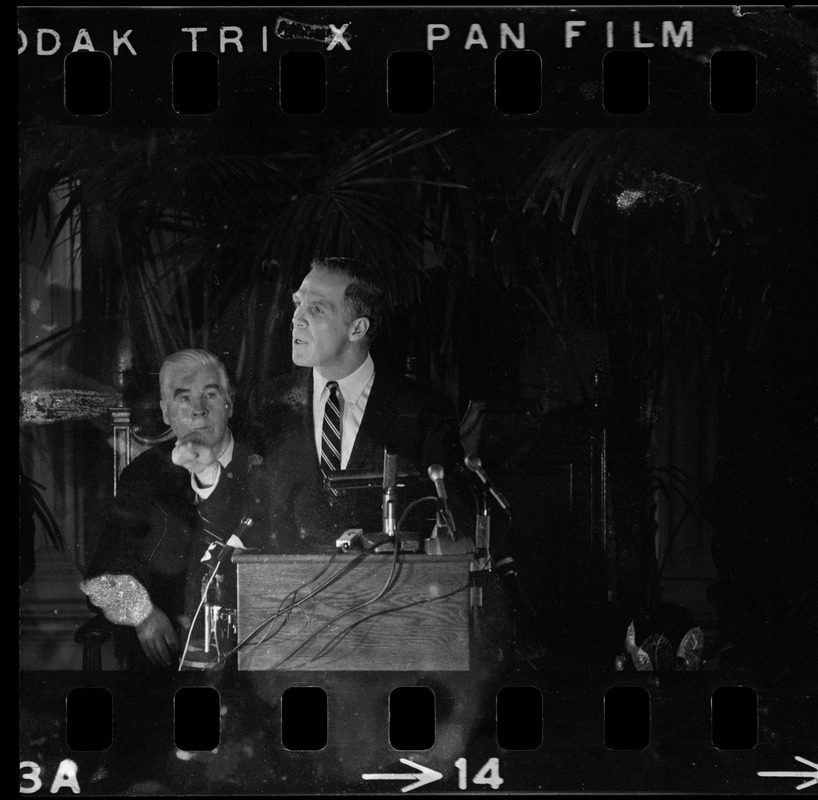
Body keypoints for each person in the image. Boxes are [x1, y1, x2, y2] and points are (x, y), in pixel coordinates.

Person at [245, 256, 468, 552]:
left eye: (317, 309)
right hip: (290, 593)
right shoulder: (268, 403)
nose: (297, 319)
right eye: (298, 303)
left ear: (357, 329)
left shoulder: (423, 411)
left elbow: (451, 522)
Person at [82, 349, 263, 669]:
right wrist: (142, 614)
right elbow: (100, 577)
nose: (198, 411)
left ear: (229, 403)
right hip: (167, 661)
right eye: (183, 398)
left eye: (210, 394)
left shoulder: (266, 469)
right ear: (166, 412)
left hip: (254, 655)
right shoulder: (143, 476)